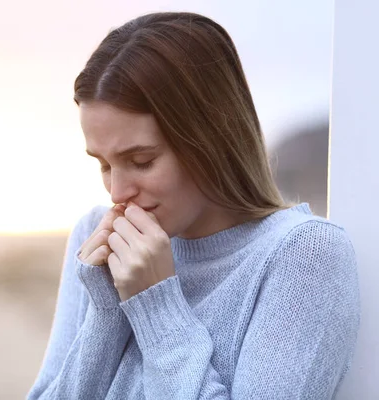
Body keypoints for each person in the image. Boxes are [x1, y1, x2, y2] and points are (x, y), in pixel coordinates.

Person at [27, 11, 360, 399]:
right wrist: (107, 312)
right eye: (104, 164)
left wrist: (154, 305)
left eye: (141, 161)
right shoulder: (94, 238)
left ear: (210, 139)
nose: (117, 193)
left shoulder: (303, 255)